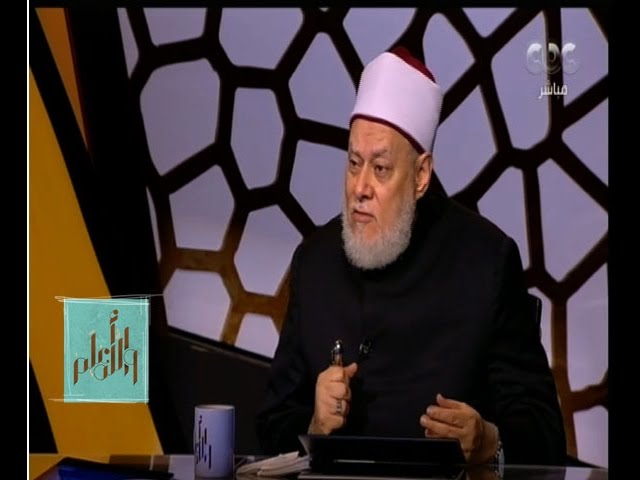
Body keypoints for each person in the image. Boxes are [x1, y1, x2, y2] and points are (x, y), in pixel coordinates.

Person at [255, 46, 566, 466]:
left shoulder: (486, 262)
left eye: (380, 169)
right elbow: (270, 426)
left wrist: (488, 441)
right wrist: (314, 422)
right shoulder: (314, 261)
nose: (360, 188)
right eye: (354, 163)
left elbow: (546, 436)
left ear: (421, 175)